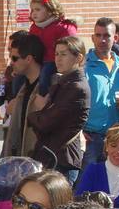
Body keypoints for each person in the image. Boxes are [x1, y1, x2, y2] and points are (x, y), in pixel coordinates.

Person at [26, 35, 90, 179]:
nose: (58, 59)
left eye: (63, 54)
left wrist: (33, 115)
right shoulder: (64, 82)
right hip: (53, 157)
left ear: (78, 58)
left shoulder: (76, 87)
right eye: (56, 54)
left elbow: (47, 122)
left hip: (62, 160)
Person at [81, 18, 119, 167]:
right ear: (92, 38)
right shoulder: (83, 66)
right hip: (89, 137)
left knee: (109, 185)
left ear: (115, 38)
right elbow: (71, 101)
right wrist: (78, 131)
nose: (102, 40)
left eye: (106, 36)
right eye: (98, 35)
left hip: (112, 139)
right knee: (87, 185)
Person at [0, 33, 45, 160]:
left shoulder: (46, 89)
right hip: (20, 160)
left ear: (29, 59)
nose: (11, 62)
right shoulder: (23, 87)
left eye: (14, 58)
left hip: (39, 162)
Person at [27, 0, 78, 75]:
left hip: (53, 61)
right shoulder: (34, 28)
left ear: (50, 11)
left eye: (38, 9)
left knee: (45, 74)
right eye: (32, 10)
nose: (34, 13)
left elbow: (70, 49)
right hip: (37, 61)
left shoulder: (63, 27)